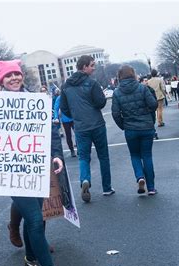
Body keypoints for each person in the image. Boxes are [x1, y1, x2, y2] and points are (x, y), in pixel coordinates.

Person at [0, 58, 65, 266]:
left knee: (39, 219)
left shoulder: (36, 101)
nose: (14, 78)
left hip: (36, 168)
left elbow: (51, 130)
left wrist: (56, 155)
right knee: (33, 219)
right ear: (1, 80)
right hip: (12, 172)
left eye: (16, 74)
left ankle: (31, 259)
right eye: (8, 76)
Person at [60, 54, 114, 203]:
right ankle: (107, 187)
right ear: (84, 67)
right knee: (103, 156)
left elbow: (64, 108)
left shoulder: (66, 86)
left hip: (80, 126)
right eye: (92, 65)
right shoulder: (92, 83)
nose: (94, 68)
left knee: (84, 157)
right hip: (96, 124)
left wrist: (76, 115)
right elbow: (100, 102)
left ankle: (85, 180)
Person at [112, 66, 158, 195]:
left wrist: (124, 125)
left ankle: (140, 177)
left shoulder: (117, 92)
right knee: (147, 156)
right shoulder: (142, 88)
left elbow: (115, 113)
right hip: (146, 127)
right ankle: (151, 187)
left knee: (135, 155)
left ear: (120, 76)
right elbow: (153, 104)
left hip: (130, 128)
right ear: (133, 74)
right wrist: (147, 116)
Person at [53, 91, 77, 157]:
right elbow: (56, 108)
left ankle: (79, 149)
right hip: (65, 120)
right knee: (68, 135)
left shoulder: (72, 95)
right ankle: (72, 150)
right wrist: (56, 117)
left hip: (74, 118)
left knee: (78, 133)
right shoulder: (59, 98)